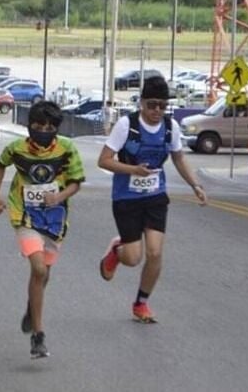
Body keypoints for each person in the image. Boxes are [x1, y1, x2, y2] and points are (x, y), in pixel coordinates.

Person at [97, 77, 207, 323]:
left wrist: (195, 185)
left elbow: (178, 158)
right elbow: (103, 160)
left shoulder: (171, 127)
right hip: (126, 197)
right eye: (152, 105)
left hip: (156, 196)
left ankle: (141, 303)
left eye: (162, 105)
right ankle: (117, 250)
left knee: (155, 253)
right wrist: (133, 170)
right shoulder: (127, 125)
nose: (157, 111)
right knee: (134, 258)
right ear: (142, 104)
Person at [0, 101, 85, 359]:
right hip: (25, 216)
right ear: (29, 125)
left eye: (50, 126)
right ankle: (38, 336)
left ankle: (32, 308)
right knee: (38, 268)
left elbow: (76, 182)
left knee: (43, 276)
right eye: (39, 125)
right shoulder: (16, 148)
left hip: (55, 220)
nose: (44, 130)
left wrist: (59, 196)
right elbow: (0, 165)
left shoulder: (67, 149)